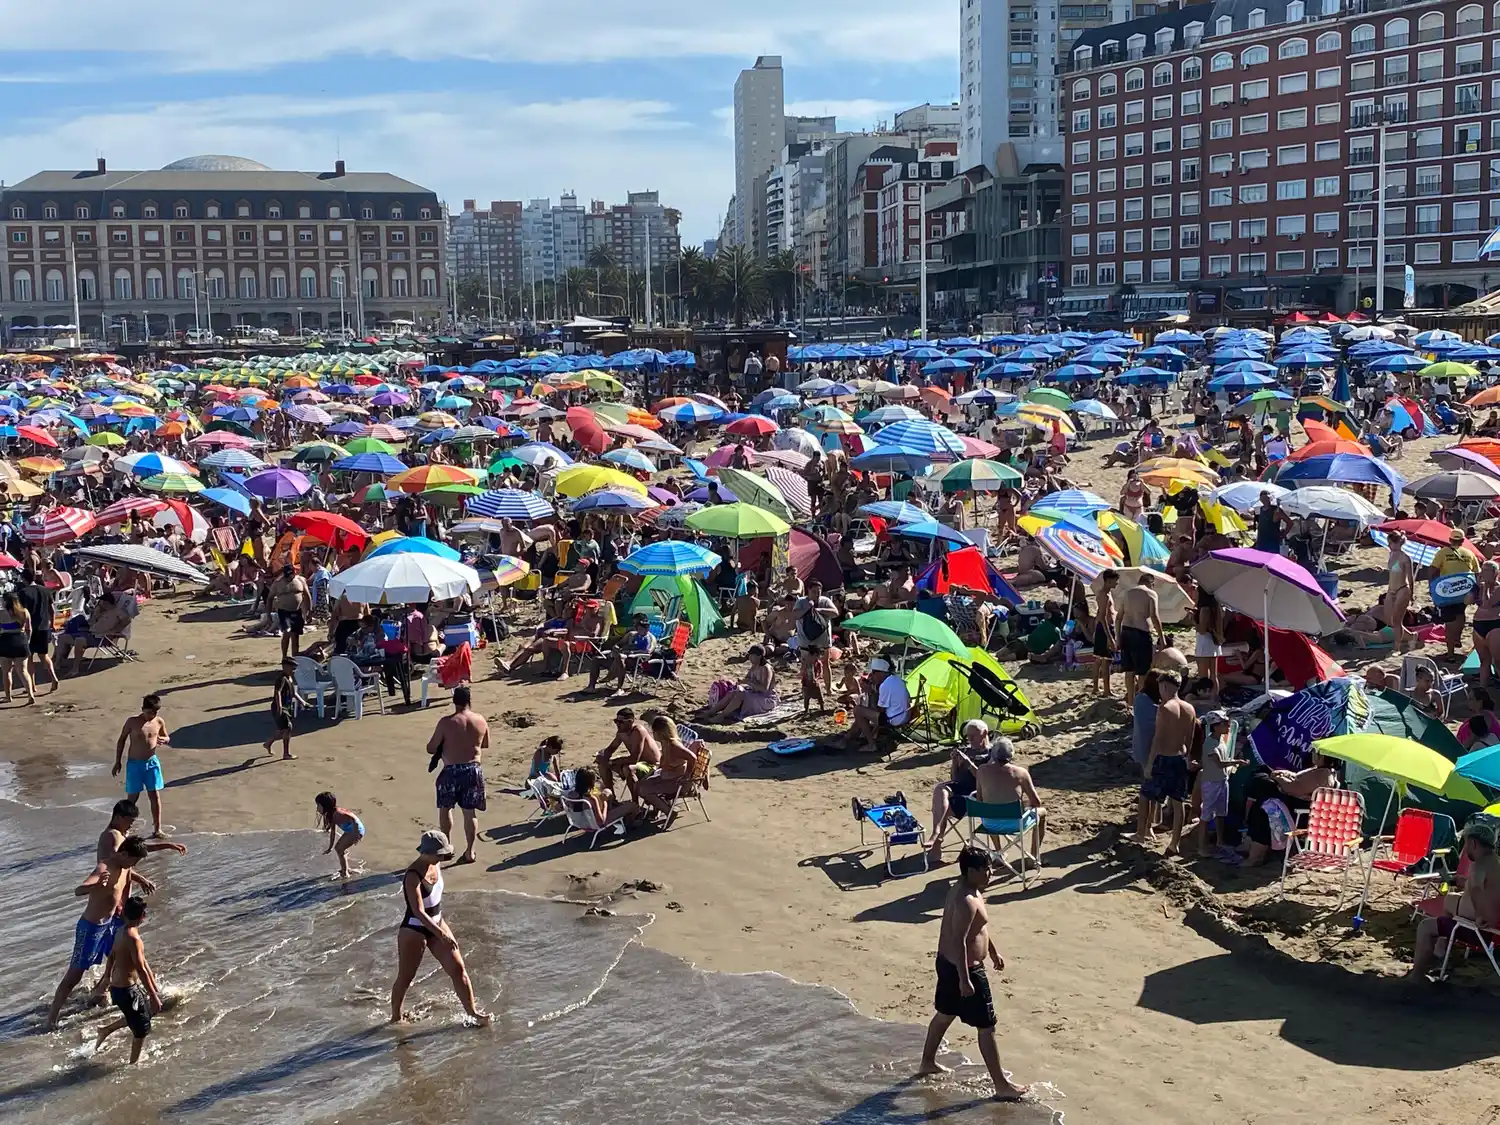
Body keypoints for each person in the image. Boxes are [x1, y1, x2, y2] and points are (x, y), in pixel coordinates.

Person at [917, 845, 1030, 1103]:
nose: (990, 872)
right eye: (986, 868)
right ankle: (1001, 1086)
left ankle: (927, 1062)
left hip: (948, 964)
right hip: (963, 968)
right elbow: (959, 940)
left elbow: (980, 930)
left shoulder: (966, 890)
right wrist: (965, 979)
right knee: (986, 1026)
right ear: (971, 871)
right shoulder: (966, 900)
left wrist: (993, 952)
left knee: (945, 1014)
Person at [46, 835, 150, 1030]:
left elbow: (125, 883)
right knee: (74, 975)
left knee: (121, 959)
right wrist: (96, 884)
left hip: (112, 923)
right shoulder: (104, 868)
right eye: (133, 861)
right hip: (91, 927)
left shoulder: (125, 868)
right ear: (124, 854)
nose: (133, 865)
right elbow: (79, 890)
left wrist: (141, 880)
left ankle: (101, 991)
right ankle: (51, 1018)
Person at [390, 830, 490, 1026]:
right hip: (414, 930)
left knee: (458, 968)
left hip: (437, 922)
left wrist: (441, 929)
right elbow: (418, 912)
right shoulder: (412, 875)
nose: (442, 857)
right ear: (426, 852)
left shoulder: (436, 866)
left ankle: (473, 1013)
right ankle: (395, 1018)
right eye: (439, 854)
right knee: (406, 977)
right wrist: (441, 934)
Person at [1407, 821, 1500, 981]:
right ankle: (1440, 948)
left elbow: (1477, 888)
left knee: (1425, 927)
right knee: (1450, 899)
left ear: (1473, 843)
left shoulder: (1479, 865)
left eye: (1465, 844)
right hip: (1494, 927)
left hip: (1480, 930)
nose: (1465, 849)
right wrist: (1462, 881)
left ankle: (1416, 977)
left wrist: (1479, 916)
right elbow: (1481, 886)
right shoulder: (1494, 862)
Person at [91, 895, 160, 1064]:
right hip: (128, 990)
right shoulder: (134, 938)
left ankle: (106, 1030)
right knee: (142, 1029)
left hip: (119, 988)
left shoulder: (121, 931)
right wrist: (153, 995)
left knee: (139, 1016)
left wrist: (106, 978)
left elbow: (113, 955)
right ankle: (133, 1064)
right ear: (143, 915)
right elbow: (141, 968)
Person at [427, 686, 489, 865]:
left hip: (451, 770)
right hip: (473, 769)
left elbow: (431, 747)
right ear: (470, 700)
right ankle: (470, 852)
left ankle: (446, 849)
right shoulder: (480, 720)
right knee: (470, 812)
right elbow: (485, 744)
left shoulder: (446, 722)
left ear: (454, 701)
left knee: (445, 809)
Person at [1134, 672, 1194, 855]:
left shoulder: (1165, 708)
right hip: (1181, 757)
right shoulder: (1189, 707)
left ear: (1165, 687)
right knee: (1178, 802)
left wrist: (1150, 763)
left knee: (1145, 795)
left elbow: (1158, 739)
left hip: (1164, 757)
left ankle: (1140, 834)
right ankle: (1175, 843)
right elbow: (1190, 737)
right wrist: (1189, 757)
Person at [968, 737, 1047, 864]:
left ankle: (999, 853)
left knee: (991, 808)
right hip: (1015, 824)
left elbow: (980, 799)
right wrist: (1023, 805)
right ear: (1012, 754)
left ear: (992, 754)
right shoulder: (1021, 773)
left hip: (989, 824)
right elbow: (1036, 802)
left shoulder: (982, 770)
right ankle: (1033, 856)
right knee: (1042, 812)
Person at [929, 719, 989, 864]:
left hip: (976, 795)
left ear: (985, 733)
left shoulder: (992, 753)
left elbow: (985, 781)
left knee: (940, 808)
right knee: (940, 789)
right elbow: (955, 778)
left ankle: (937, 840)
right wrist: (955, 762)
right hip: (959, 791)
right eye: (968, 736)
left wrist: (969, 764)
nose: (970, 739)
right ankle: (937, 835)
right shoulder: (967, 750)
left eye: (973, 736)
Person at [113, 694, 169, 838]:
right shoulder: (132, 722)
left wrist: (165, 739)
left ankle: (157, 829)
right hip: (134, 764)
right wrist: (117, 761)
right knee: (132, 798)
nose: (152, 715)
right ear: (142, 709)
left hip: (151, 763)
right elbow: (121, 740)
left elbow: (166, 736)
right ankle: (122, 828)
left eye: (155, 712)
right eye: (149, 712)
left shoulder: (158, 721)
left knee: (154, 796)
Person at [1421, 527, 1482, 661]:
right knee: (1460, 614)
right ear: (1462, 541)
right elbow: (1477, 573)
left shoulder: (1442, 553)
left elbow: (1432, 570)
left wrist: (1432, 587)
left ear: (1449, 540)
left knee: (1449, 622)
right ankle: (1457, 638)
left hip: (1446, 593)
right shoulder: (1470, 553)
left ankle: (1450, 654)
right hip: (1464, 591)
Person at [1194, 711, 1244, 860]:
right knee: (1206, 815)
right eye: (1224, 724)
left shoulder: (1220, 740)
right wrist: (1237, 762)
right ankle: (1201, 847)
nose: (1228, 726)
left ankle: (1220, 842)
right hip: (1211, 782)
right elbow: (1219, 763)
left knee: (1221, 813)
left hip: (1222, 780)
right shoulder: (1210, 743)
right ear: (1215, 726)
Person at [636, 715, 702, 821]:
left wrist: (687, 775)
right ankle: (658, 807)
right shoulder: (665, 744)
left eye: (654, 732)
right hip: (667, 778)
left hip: (677, 783)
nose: (652, 734)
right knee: (639, 786)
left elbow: (692, 758)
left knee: (645, 790)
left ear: (660, 733)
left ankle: (670, 812)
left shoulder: (674, 746)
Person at [696, 643, 778, 722]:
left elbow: (764, 689)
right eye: (750, 655)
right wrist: (740, 682)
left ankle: (722, 716)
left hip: (766, 699)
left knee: (740, 694)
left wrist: (749, 683)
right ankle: (711, 712)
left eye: (752, 656)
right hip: (755, 694)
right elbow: (747, 679)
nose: (750, 658)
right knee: (734, 692)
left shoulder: (766, 669)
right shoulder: (754, 666)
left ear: (760, 656)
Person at [595, 707, 661, 800]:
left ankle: (635, 804)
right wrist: (602, 756)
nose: (618, 724)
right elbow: (611, 748)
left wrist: (611, 762)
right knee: (603, 765)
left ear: (630, 722)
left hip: (652, 766)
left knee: (628, 768)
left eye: (621, 722)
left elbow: (634, 759)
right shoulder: (622, 732)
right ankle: (612, 799)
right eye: (616, 721)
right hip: (638, 764)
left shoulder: (638, 731)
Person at [1118, 572, 1165, 704]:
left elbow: (1118, 617)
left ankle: (1131, 701)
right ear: (1151, 583)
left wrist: (1117, 637)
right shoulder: (1150, 593)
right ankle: (1140, 702)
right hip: (1141, 633)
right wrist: (1162, 637)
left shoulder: (1127, 593)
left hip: (1126, 631)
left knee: (1129, 670)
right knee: (1143, 671)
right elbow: (1154, 616)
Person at [849, 656, 911, 754]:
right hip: (905, 714)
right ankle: (864, 736)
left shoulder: (885, 685)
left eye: (874, 672)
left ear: (881, 673)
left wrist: (871, 693)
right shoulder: (897, 680)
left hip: (895, 719)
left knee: (858, 710)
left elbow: (880, 710)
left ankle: (871, 744)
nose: (872, 675)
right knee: (865, 711)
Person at [585, 612, 657, 697]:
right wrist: (616, 648)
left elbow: (648, 652)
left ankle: (619, 688)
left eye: (636, 623)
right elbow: (619, 644)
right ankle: (591, 686)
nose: (634, 625)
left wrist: (631, 653)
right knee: (596, 659)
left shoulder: (651, 638)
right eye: (634, 623)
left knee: (620, 657)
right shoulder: (631, 634)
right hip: (619, 660)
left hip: (635, 663)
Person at [794, 579, 837, 712]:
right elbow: (795, 615)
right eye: (814, 592)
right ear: (808, 591)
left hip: (823, 640)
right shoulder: (801, 601)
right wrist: (808, 607)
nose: (817, 594)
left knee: (825, 663)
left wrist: (819, 609)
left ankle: (828, 689)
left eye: (819, 592)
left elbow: (835, 612)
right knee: (806, 665)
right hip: (806, 640)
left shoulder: (825, 601)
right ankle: (804, 689)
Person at [14, 569, 58, 694]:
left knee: (29, 658)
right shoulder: (45, 590)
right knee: (44, 656)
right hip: (44, 626)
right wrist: (53, 623)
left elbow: (21, 612)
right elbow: (52, 609)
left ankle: (32, 686)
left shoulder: (23, 593)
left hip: (30, 629)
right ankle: (54, 678)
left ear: (24, 579)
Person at [261, 657, 307, 759]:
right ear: (285, 667)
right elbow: (277, 693)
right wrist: (280, 706)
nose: (293, 670)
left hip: (287, 706)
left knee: (282, 730)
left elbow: (293, 692)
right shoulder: (281, 679)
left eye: (294, 668)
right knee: (288, 728)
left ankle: (268, 743)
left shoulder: (290, 678)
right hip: (280, 707)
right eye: (292, 668)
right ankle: (286, 753)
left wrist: (302, 701)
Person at [315, 791, 366, 879]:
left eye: (318, 805)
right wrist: (330, 847)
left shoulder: (338, 813)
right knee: (339, 849)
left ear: (325, 806)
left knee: (339, 849)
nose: (317, 808)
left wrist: (356, 834)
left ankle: (345, 873)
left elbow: (353, 818)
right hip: (350, 830)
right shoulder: (331, 814)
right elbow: (333, 832)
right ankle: (346, 869)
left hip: (356, 830)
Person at [0, 588, 37, 704]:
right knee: (23, 671)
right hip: (21, 640)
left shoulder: (1, 613)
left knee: (6, 671)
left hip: (5, 641)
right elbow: (29, 629)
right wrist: (28, 640)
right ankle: (30, 695)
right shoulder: (24, 612)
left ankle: (8, 696)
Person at [270, 562, 312, 660]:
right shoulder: (278, 583)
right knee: (287, 632)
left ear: (294, 572)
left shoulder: (301, 580)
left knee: (295, 634)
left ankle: (295, 655)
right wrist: (268, 614)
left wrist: (310, 611)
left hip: (297, 610)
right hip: (284, 611)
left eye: (291, 574)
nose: (289, 577)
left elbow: (307, 596)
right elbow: (270, 598)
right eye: (287, 575)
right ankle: (284, 656)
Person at [1385, 530, 1417, 653]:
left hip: (1402, 589)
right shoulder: (1391, 554)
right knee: (1390, 620)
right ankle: (1411, 636)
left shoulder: (1405, 557)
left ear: (1396, 543)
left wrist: (1412, 594)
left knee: (1397, 620)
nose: (1388, 545)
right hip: (1391, 589)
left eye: (1390, 543)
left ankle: (1396, 648)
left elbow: (1410, 577)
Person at [1091, 569, 1119, 697]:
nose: (1117, 583)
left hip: (1101, 628)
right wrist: (1110, 638)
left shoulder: (1103, 593)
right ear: (1108, 581)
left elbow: (1098, 615)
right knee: (1106, 661)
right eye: (1115, 580)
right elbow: (1102, 616)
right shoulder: (1105, 596)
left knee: (1098, 659)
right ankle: (1106, 690)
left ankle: (1096, 688)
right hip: (1106, 628)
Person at [1194, 591, 1226, 697]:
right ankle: (1214, 697)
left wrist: (1193, 620)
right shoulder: (1216, 608)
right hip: (1213, 642)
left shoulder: (1204, 609)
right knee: (1213, 674)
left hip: (1205, 642)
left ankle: (1205, 698)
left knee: (1203, 675)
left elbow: (1202, 630)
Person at [1253, 491, 1293, 556]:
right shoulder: (1261, 509)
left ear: (1269, 498)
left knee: (1271, 562)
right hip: (1261, 542)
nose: (1264, 499)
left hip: (1272, 543)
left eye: (1266, 497)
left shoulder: (1276, 510)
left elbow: (1290, 523)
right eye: (1262, 497)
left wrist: (1283, 534)